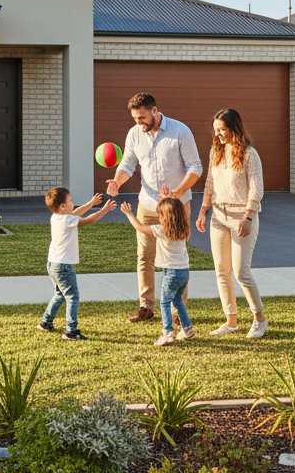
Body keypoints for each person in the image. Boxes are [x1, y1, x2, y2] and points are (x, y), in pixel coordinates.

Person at [105, 92, 202, 323]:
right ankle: (145, 306)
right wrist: (117, 180)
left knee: (177, 258)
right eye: (135, 119)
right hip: (147, 204)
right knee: (144, 256)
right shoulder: (134, 134)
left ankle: (180, 310)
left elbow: (195, 167)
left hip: (176, 206)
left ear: (155, 111)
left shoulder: (180, 131)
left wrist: (177, 193)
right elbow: (127, 164)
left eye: (141, 118)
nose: (138, 123)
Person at [195, 108, 268, 339]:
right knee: (221, 271)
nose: (218, 134)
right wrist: (203, 210)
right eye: (216, 130)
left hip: (241, 217)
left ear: (234, 128)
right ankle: (231, 322)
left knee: (241, 272)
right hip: (218, 216)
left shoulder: (249, 154)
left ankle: (259, 319)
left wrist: (248, 217)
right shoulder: (215, 151)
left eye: (223, 129)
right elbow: (210, 183)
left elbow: (256, 189)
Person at [38, 187, 116, 341]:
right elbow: (89, 220)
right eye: (71, 201)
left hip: (52, 263)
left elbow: (76, 213)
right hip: (63, 266)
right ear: (62, 206)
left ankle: (46, 322)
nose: (73, 203)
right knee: (73, 296)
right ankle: (71, 331)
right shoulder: (66, 219)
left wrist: (91, 203)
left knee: (60, 294)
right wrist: (104, 210)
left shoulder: (56, 217)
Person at [120, 189, 194, 346]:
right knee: (178, 301)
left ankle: (167, 333)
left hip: (171, 273)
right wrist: (165, 199)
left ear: (164, 217)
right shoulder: (184, 229)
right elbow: (174, 210)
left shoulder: (162, 230)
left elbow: (140, 227)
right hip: (184, 272)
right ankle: (187, 329)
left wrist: (129, 214)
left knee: (165, 302)